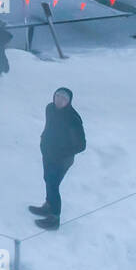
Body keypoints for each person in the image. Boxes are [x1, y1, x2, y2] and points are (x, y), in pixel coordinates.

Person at [29, 87, 86, 229]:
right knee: (48, 180)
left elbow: (81, 145)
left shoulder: (73, 119)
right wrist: (43, 141)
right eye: (58, 96)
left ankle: (54, 218)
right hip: (48, 154)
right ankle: (48, 206)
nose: (59, 100)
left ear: (69, 101)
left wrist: (61, 153)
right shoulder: (50, 109)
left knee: (53, 185)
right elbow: (49, 127)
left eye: (64, 98)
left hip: (62, 160)